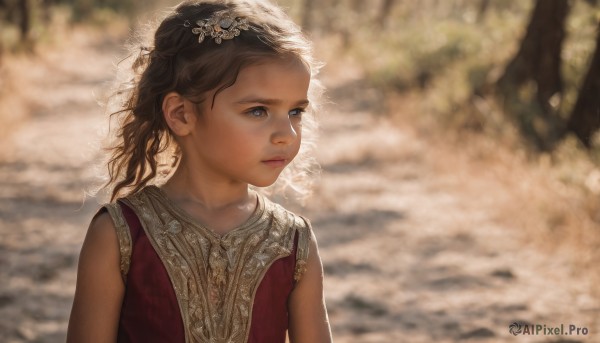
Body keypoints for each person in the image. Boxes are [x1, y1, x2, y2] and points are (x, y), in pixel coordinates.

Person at [66, 0, 332, 342]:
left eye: (296, 112)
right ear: (181, 114)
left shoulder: (293, 242)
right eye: (258, 111)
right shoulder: (120, 235)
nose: (286, 134)